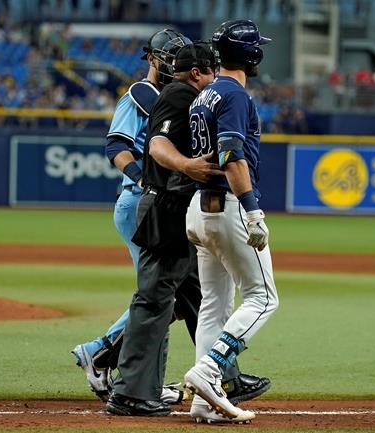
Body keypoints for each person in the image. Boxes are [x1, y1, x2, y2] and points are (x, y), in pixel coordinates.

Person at [106, 41, 270, 421]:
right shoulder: (180, 95)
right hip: (164, 203)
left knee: (199, 298)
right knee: (154, 298)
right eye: (210, 70)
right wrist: (186, 166)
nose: (215, 77)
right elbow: (158, 144)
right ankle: (130, 391)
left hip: (180, 208)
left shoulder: (191, 96)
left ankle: (223, 377)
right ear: (196, 73)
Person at [70, 29, 189, 403]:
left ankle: (114, 361)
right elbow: (116, 145)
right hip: (141, 202)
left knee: (168, 295)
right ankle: (110, 359)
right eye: (169, 57)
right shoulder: (141, 94)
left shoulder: (175, 97)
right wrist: (143, 179)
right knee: (159, 296)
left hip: (160, 206)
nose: (174, 64)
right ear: (152, 59)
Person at [183, 20, 280, 421]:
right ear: (252, 55)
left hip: (199, 209)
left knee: (214, 306)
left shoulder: (205, 94)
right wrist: (252, 208)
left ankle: (204, 403)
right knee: (263, 298)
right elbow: (231, 155)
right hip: (228, 206)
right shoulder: (235, 95)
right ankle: (209, 370)